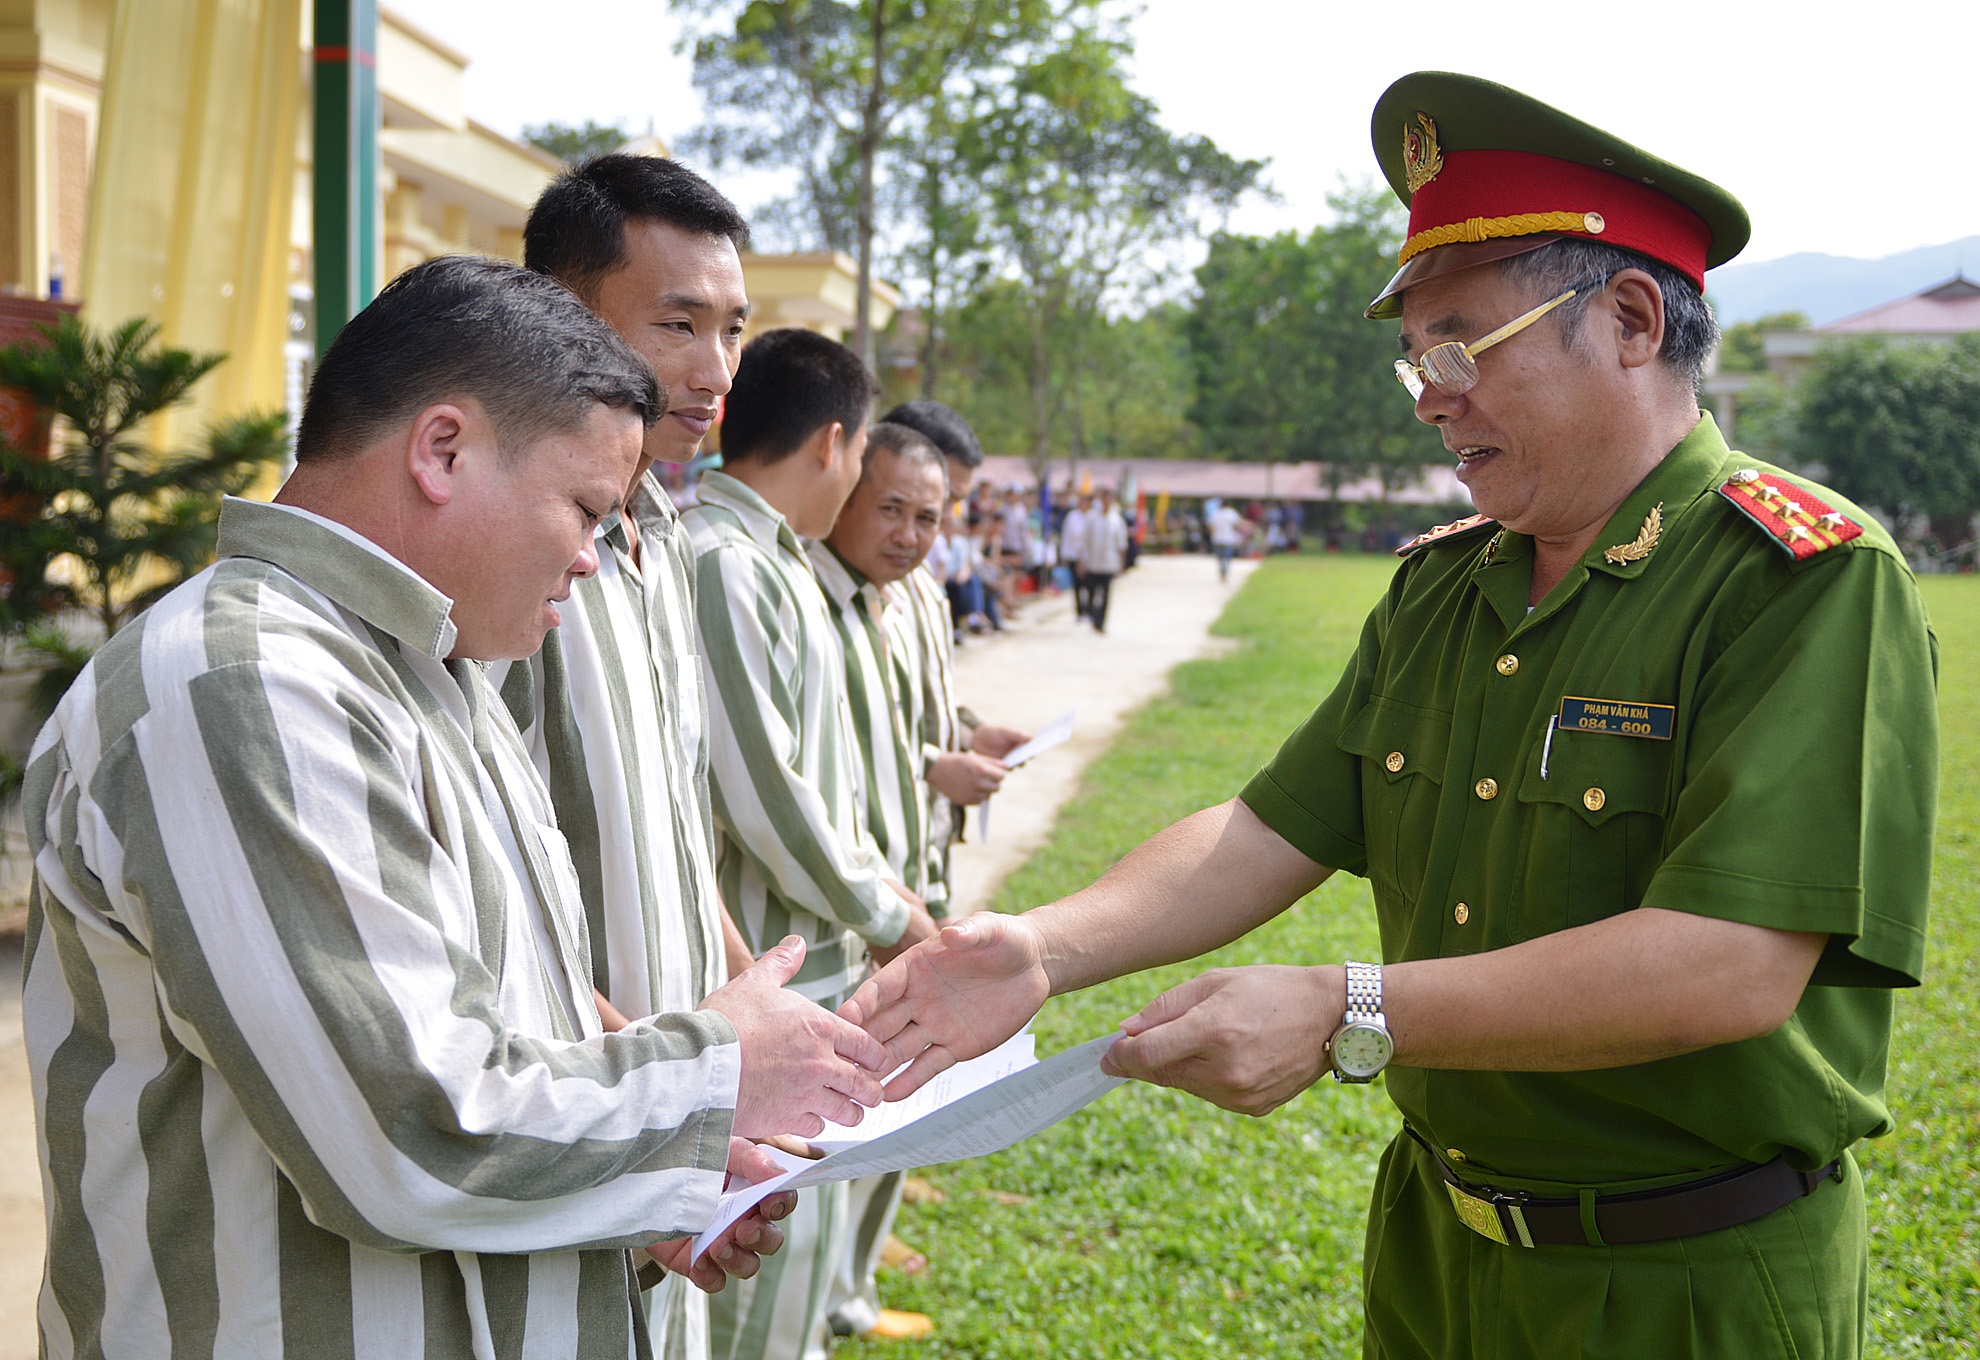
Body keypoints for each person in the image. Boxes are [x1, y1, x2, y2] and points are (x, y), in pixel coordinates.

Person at [846, 71, 1937, 1360]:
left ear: (1633, 318)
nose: (1428, 394)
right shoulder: (1449, 583)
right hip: (1437, 1242)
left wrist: (1351, 1004)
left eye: (1463, 346)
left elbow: (1733, 960)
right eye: (1415, 354)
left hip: (1681, 1280)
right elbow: (1274, 823)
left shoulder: (1798, 578)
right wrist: (1042, 946)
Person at [21, 256, 889, 1357]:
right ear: (442, 449)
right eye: (584, 508)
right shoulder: (244, 685)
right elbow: (413, 1127)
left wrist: (654, 1176)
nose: (591, 558)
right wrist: (717, 1071)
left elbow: (504, 1010)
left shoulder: (432, 673)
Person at [506, 154, 800, 1357]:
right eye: (676, 323)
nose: (714, 369)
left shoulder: (661, 534)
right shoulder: (498, 550)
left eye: (732, 328)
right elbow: (473, 895)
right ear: (561, 318)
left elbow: (671, 817)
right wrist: (663, 1095)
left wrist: (756, 1005)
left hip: (677, 1127)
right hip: (562, 1115)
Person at [687, 328, 936, 1360]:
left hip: (814, 966)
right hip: (769, 968)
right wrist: (889, 910)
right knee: (755, 1290)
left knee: (796, 1265)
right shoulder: (725, 562)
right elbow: (769, 796)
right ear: (834, 443)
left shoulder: (769, 560)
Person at [809, 422, 955, 1342]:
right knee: (822, 1133)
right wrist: (882, 908)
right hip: (845, 919)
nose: (907, 533)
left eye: (929, 517)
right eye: (890, 508)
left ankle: (846, 1286)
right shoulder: (804, 601)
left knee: (876, 1112)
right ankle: (832, 1297)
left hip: (897, 899)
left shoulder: (881, 603)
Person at [880, 400, 1032, 914]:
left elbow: (918, 698)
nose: (941, 518)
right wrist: (932, 764)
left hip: (928, 845)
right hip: (877, 869)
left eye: (951, 502)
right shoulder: (839, 584)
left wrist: (969, 734)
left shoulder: (923, 584)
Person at [1075, 487, 1129, 633]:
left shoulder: (1116, 520)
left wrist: (1121, 565)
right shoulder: (1091, 518)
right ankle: (1093, 614)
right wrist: (1081, 561)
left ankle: (1101, 623)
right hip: (1093, 563)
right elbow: (1084, 542)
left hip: (1109, 564)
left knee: (1105, 595)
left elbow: (1121, 545)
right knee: (1091, 592)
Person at [1207, 496, 1247, 581]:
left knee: (1220, 558)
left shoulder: (1215, 513)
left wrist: (1212, 535)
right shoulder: (1231, 513)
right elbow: (1238, 525)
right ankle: (1225, 573)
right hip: (1228, 539)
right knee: (1227, 558)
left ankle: (1222, 572)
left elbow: (1211, 527)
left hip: (1217, 539)